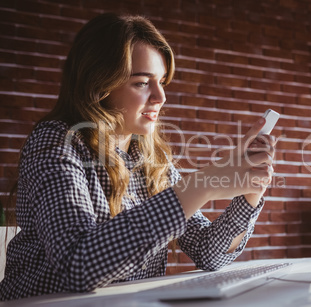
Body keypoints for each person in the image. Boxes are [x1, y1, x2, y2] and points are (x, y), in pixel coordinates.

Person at [0, 13, 276, 300]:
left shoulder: (152, 160)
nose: (161, 97)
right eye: (142, 83)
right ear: (100, 85)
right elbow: (77, 264)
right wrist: (202, 185)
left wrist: (251, 187)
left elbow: (210, 253)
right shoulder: (57, 142)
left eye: (162, 82)